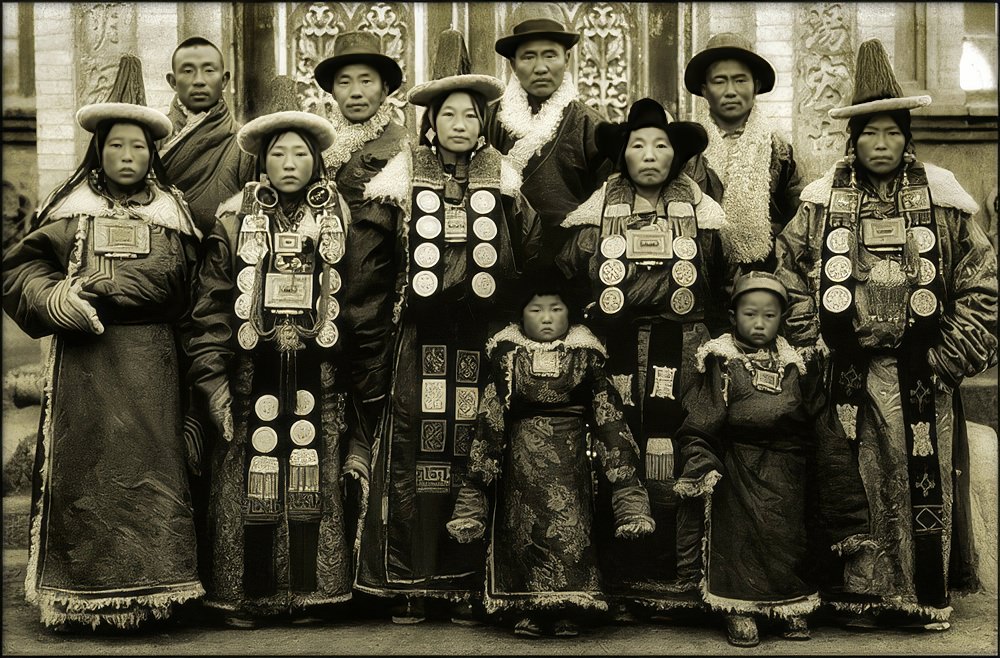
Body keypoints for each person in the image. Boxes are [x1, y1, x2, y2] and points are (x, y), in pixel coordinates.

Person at [775, 39, 998, 631]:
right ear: (854, 141)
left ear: (907, 137)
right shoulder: (821, 203)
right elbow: (790, 275)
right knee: (851, 481)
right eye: (869, 134)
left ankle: (920, 595)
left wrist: (950, 357)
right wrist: (813, 344)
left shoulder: (944, 200)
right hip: (844, 372)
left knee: (912, 479)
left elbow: (983, 284)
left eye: (892, 133)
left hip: (922, 371)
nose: (881, 144)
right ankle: (861, 596)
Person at [355, 30, 538, 626]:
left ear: (484, 123)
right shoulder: (401, 174)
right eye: (447, 114)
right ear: (430, 121)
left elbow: (530, 252)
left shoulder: (504, 176)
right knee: (418, 450)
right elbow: (371, 268)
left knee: (477, 449)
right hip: (419, 338)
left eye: (470, 114)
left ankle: (468, 582)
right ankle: (412, 581)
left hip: (481, 339)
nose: (459, 123)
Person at [2, 100, 207, 629]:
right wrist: (56, 298)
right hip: (86, 370)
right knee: (86, 480)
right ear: (99, 149)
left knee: (154, 482)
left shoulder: (174, 217)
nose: (126, 154)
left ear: (152, 153)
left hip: (155, 372)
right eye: (116, 144)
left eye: (138, 145)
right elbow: (20, 269)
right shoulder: (71, 212)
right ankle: (78, 600)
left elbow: (197, 299)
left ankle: (157, 598)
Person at [556, 98, 727, 618]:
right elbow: (570, 264)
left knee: (682, 443)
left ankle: (682, 577)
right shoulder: (600, 206)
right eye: (637, 145)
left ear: (676, 156)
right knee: (619, 445)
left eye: (660, 145)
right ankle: (624, 578)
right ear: (623, 156)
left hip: (686, 342)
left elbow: (719, 271)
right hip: (619, 346)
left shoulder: (699, 209)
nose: (649, 154)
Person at [199, 79, 356, 627]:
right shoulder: (233, 218)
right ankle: (250, 595)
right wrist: (213, 377)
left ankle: (311, 593)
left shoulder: (339, 218)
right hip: (252, 371)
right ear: (261, 161)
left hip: (319, 370)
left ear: (316, 160)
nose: (290, 163)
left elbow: (356, 297)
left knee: (315, 467)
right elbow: (214, 301)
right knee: (251, 471)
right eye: (278, 153)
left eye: (300, 153)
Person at [446, 282, 654, 638]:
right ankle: (527, 607)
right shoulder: (507, 356)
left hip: (571, 461)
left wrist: (627, 493)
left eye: (555, 309)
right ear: (520, 316)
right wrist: (474, 494)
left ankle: (567, 609)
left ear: (569, 314)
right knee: (524, 533)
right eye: (536, 309)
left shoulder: (586, 356)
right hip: (520, 464)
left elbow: (609, 419)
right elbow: (490, 419)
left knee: (570, 533)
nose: (546, 318)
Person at [673, 272, 825, 647]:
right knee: (739, 536)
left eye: (769, 315)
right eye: (750, 314)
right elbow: (701, 419)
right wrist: (702, 464)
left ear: (782, 319)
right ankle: (738, 609)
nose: (759, 323)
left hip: (785, 466)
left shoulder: (796, 364)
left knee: (785, 536)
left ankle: (789, 605)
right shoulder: (721, 361)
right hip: (737, 463)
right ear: (733, 315)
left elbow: (813, 420)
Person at [313, 30, 410, 547]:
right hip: (316, 311)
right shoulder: (314, 146)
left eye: (366, 81)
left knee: (375, 423)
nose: (354, 91)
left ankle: (372, 556)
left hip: (374, 310)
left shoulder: (400, 150)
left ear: (385, 89)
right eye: (344, 81)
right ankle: (329, 556)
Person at [485, 3, 614, 269]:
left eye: (550, 55)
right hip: (499, 260)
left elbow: (608, 203)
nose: (540, 67)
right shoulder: (489, 119)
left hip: (569, 264)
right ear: (512, 64)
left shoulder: (592, 125)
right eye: (528, 56)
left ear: (567, 59)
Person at [683, 32, 803, 274]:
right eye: (719, 81)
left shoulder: (778, 151)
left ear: (756, 86)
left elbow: (797, 219)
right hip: (698, 272)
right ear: (704, 90)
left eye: (740, 80)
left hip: (763, 273)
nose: (730, 91)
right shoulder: (685, 149)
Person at [161, 36, 256, 233]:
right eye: (188, 71)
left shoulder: (244, 143)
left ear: (224, 80)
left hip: (221, 252)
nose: (199, 81)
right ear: (173, 81)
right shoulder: (155, 135)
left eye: (209, 71)